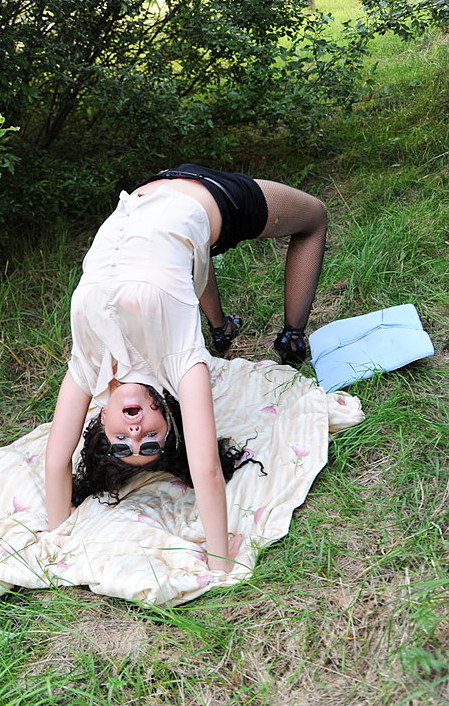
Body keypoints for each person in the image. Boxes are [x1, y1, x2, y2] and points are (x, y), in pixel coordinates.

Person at [44, 164, 326, 573]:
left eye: (121, 443)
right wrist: (220, 557)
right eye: (150, 441)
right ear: (166, 417)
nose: (135, 434)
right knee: (314, 217)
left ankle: (222, 326)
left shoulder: (90, 365)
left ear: (101, 418)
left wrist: (59, 537)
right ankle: (292, 335)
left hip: (148, 189)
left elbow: (56, 461)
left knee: (186, 260)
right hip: (212, 199)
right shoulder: (180, 362)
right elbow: (205, 467)